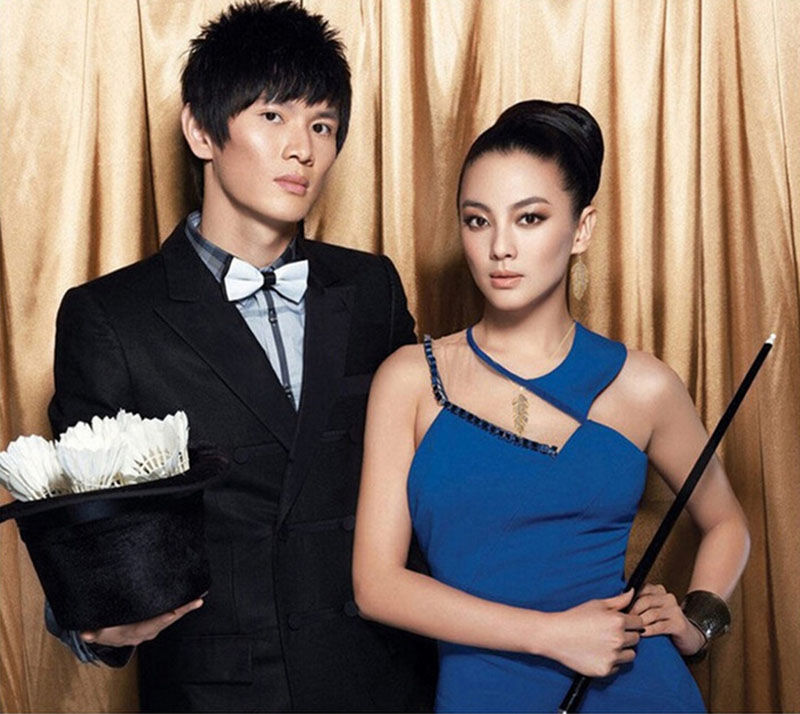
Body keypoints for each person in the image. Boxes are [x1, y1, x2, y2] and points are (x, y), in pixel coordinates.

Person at [46, 1, 435, 711]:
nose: (302, 149)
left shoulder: (371, 288)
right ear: (202, 130)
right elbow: (87, 535)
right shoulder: (110, 318)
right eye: (273, 116)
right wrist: (96, 626)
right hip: (218, 694)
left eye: (322, 125)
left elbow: (433, 478)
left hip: (383, 680)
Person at [352, 100, 750, 713]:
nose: (500, 247)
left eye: (530, 218)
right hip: (484, 695)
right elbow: (377, 586)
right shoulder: (410, 379)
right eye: (477, 221)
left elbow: (727, 521)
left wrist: (698, 624)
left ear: (582, 229)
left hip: (637, 690)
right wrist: (551, 635)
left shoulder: (642, 386)